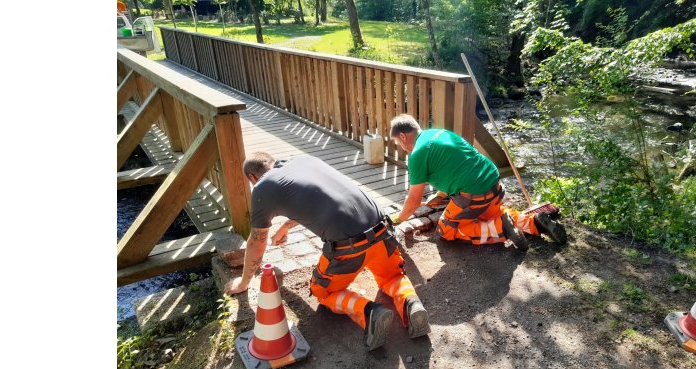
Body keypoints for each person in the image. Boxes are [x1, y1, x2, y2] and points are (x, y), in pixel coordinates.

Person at [224, 152, 430, 351]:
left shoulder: (261, 188)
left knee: (323, 291)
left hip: (351, 248)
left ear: (252, 177)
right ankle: (412, 304)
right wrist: (286, 227)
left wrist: (243, 283)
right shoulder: (304, 160)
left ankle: (369, 312)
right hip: (384, 232)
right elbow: (318, 197)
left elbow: (256, 242)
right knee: (392, 275)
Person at [389, 114, 568, 250]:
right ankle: (535, 222)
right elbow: (459, 164)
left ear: (403, 136)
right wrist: (442, 194)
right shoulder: (440, 132)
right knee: (490, 213)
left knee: (446, 230)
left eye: (398, 142)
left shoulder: (417, 154)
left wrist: (399, 218)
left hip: (474, 195)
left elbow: (413, 201)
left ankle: (501, 229)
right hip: (494, 183)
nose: (401, 147)